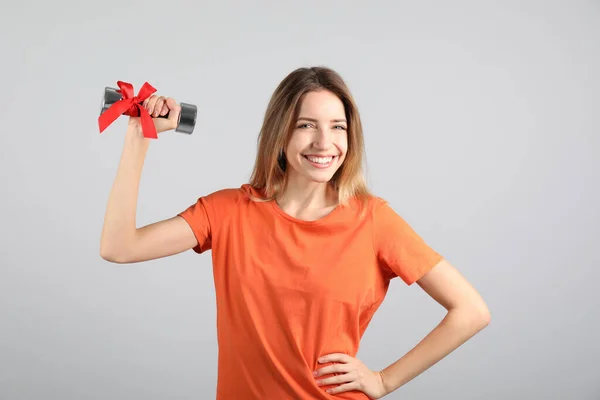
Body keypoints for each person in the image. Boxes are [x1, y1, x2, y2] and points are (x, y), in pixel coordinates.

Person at [100, 66, 491, 399]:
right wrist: (139, 134)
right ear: (280, 133)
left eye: (337, 127)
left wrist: (384, 380)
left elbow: (471, 311)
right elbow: (119, 247)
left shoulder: (373, 220)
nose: (325, 142)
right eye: (306, 125)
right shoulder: (227, 211)